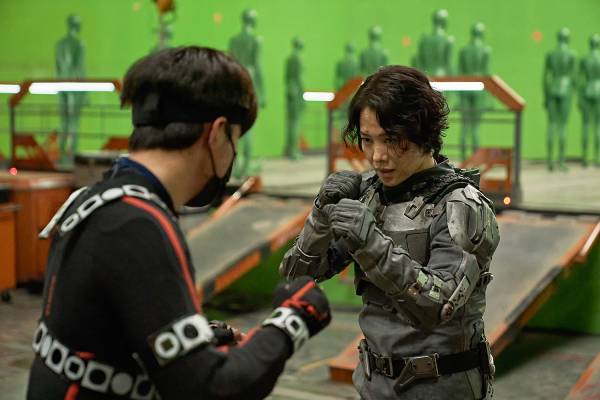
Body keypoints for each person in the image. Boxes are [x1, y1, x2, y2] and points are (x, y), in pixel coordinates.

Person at [27, 46, 331, 400]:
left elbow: (99, 332)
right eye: (235, 139)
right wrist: (295, 317)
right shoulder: (138, 226)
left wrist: (199, 339)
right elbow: (212, 390)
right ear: (217, 132)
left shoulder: (94, 200)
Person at [280, 65, 499, 399]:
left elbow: (438, 308)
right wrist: (320, 219)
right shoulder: (370, 194)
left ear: (424, 134)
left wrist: (370, 243)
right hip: (374, 385)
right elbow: (295, 279)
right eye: (367, 140)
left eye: (392, 140)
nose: (377, 156)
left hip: (442, 389)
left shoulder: (461, 205)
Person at [228, 8, 265, 178]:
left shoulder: (234, 40)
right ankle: (246, 167)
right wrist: (262, 92)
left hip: (235, 81)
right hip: (249, 79)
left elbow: (229, 63)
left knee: (235, 125)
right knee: (248, 127)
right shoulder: (255, 40)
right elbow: (258, 66)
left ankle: (234, 166)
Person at [543, 27, 577, 171]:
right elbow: (574, 77)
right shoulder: (571, 54)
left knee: (551, 125)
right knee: (563, 126)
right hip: (566, 88)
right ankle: (561, 161)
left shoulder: (551, 54)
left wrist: (546, 95)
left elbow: (545, 77)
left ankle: (550, 160)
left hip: (553, 87)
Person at [458, 23, 491, 161]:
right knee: (476, 127)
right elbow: (487, 74)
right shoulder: (485, 50)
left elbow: (459, 73)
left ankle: (463, 158)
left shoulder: (464, 50)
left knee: (465, 126)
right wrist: (489, 99)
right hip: (479, 88)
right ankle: (476, 159)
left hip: (465, 88)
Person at [56, 14, 86, 164]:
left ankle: (62, 156)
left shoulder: (60, 44)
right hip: (75, 87)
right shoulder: (79, 44)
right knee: (73, 123)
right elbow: (79, 68)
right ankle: (71, 157)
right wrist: (85, 91)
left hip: (62, 86)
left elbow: (58, 67)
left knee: (64, 123)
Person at [578, 33, 600, 167]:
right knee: (598, 126)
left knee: (586, 125)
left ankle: (585, 158)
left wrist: (580, 97)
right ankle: (597, 157)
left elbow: (581, 80)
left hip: (587, 90)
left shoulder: (585, 59)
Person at [284, 37, 305, 160]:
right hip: (296, 92)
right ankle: (294, 151)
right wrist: (302, 94)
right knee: (296, 123)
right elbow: (300, 79)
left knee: (290, 123)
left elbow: (286, 77)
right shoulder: (298, 59)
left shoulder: (289, 58)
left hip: (289, 91)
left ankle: (289, 149)